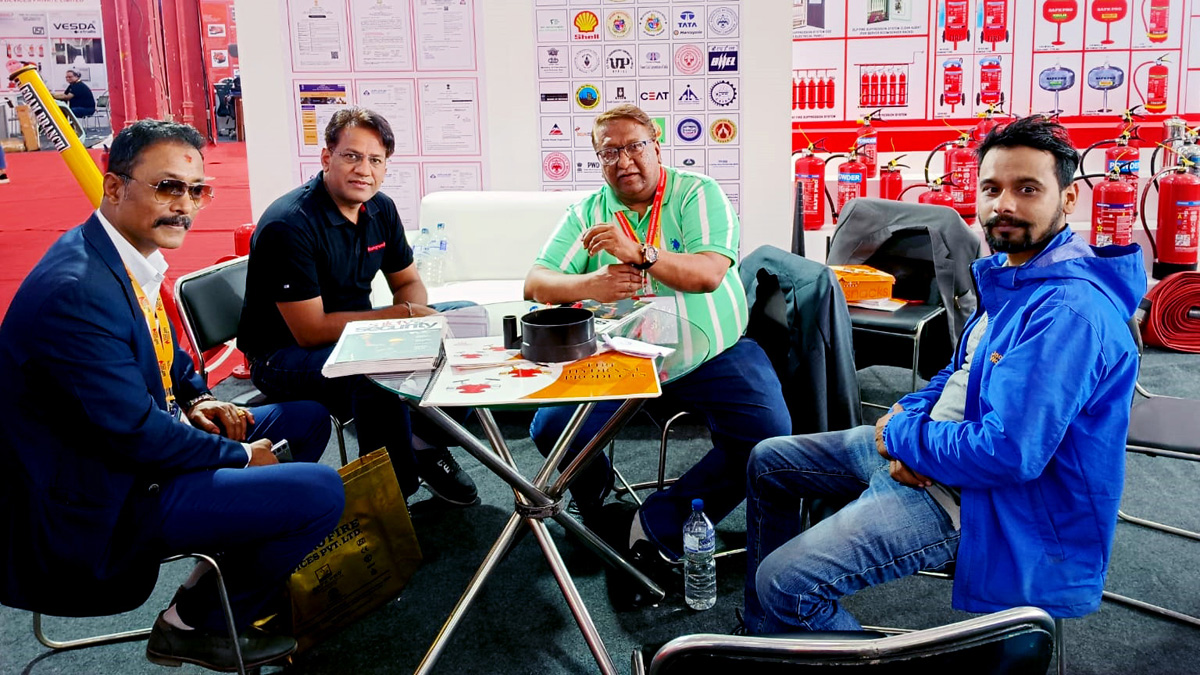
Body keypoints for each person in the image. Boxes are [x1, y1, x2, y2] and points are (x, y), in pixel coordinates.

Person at [743, 115, 1145, 633]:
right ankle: (772, 636)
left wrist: (905, 439)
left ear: (1068, 200)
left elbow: (1008, 453)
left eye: (1027, 189)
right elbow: (958, 374)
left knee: (786, 583)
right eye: (992, 188)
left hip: (982, 499)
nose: (1004, 204)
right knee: (769, 460)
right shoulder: (1014, 276)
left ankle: (795, 627)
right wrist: (906, 415)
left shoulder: (1065, 312)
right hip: (934, 448)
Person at [0, 119, 345, 671]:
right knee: (321, 493)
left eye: (196, 190)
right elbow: (135, 434)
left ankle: (221, 576)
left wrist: (197, 398)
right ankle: (192, 625)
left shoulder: (120, 255)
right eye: (167, 187)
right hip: (108, 491)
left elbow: (164, 357)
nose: (184, 205)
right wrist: (239, 455)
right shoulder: (77, 292)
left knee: (304, 419)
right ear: (115, 186)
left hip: (138, 449)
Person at [525, 104, 791, 608]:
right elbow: (536, 282)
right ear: (598, 160)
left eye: (634, 146)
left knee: (766, 436)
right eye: (609, 152)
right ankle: (600, 508)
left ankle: (652, 527)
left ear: (656, 147)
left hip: (711, 351)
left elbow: (708, 273)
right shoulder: (588, 212)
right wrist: (591, 283)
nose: (624, 160)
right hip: (624, 357)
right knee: (552, 429)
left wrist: (640, 253)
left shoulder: (697, 193)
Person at [239, 106, 478, 505]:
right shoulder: (289, 224)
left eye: (375, 160)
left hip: (358, 336)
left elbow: (407, 282)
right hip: (282, 357)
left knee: (464, 317)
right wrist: (402, 318)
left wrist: (415, 325)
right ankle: (392, 495)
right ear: (326, 158)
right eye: (351, 156)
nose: (363, 170)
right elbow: (311, 330)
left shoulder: (380, 208)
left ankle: (423, 443)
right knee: (376, 370)